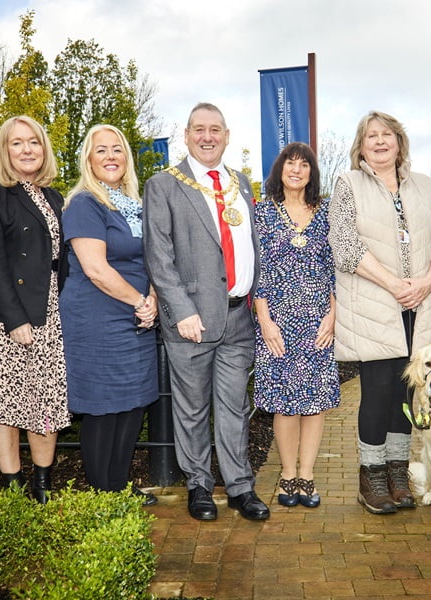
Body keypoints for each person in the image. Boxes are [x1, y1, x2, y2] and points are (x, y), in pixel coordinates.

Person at [142, 102, 269, 521]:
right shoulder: (164, 184)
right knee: (193, 408)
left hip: (239, 318)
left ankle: (239, 487)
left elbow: (248, 246)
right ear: (186, 135)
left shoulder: (241, 183)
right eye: (200, 129)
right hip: (192, 320)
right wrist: (180, 311)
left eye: (216, 129)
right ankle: (198, 485)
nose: (208, 136)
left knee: (234, 408)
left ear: (228, 135)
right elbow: (159, 257)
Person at [329, 111, 431, 515]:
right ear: (360, 146)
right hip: (374, 306)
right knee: (377, 394)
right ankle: (372, 475)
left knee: (408, 392)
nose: (379, 142)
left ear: (400, 141)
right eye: (370, 136)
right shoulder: (349, 184)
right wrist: (395, 284)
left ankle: (399, 472)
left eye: (387, 135)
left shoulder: (423, 185)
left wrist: (427, 282)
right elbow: (344, 246)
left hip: (421, 305)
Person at [0, 115, 69, 504]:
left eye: (34, 142)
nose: (27, 150)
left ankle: (42, 485)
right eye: (17, 143)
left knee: (46, 401)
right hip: (1, 316)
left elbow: (62, 262)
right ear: (4, 150)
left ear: (44, 149)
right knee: (2, 404)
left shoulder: (54, 197)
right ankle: (12, 488)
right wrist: (15, 319)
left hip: (48, 311)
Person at [59, 124, 160, 505]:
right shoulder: (86, 203)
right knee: (103, 406)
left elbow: (152, 258)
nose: (111, 157)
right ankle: (103, 493)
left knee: (133, 403)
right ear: (88, 159)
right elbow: (96, 269)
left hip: (136, 315)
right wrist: (140, 301)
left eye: (117, 149)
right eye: (101, 151)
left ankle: (119, 485)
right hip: (97, 319)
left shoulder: (133, 204)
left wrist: (150, 297)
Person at [254, 142, 340, 509]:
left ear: (311, 173)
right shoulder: (262, 213)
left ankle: (307, 476)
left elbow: (334, 268)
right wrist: (264, 320)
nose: (296, 169)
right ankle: (287, 476)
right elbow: (255, 270)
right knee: (284, 404)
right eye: (290, 163)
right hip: (277, 323)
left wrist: (333, 315)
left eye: (304, 165)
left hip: (318, 321)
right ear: (280, 170)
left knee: (315, 403)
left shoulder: (325, 213)